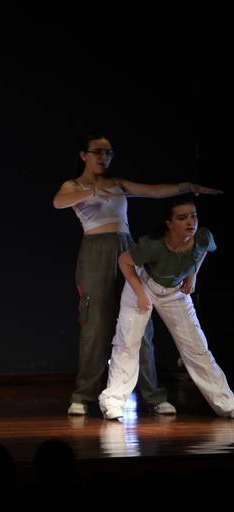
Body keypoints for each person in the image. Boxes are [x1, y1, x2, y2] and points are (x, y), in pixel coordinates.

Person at [53, 134, 222, 416]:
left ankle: (154, 395)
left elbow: (155, 191)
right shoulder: (74, 185)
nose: (104, 157)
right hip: (95, 251)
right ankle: (83, 396)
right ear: (84, 155)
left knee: (141, 325)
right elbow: (58, 202)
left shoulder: (117, 183)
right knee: (95, 325)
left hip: (127, 247)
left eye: (109, 152)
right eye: (98, 152)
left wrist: (187, 186)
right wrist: (92, 191)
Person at [99, 197, 234, 419]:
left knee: (197, 348)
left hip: (176, 292)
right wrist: (141, 294)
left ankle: (227, 404)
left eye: (193, 216)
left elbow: (203, 251)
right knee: (127, 343)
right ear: (170, 224)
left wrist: (193, 274)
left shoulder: (202, 237)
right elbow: (124, 261)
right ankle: (112, 403)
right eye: (182, 218)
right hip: (143, 285)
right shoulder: (154, 245)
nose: (190, 222)